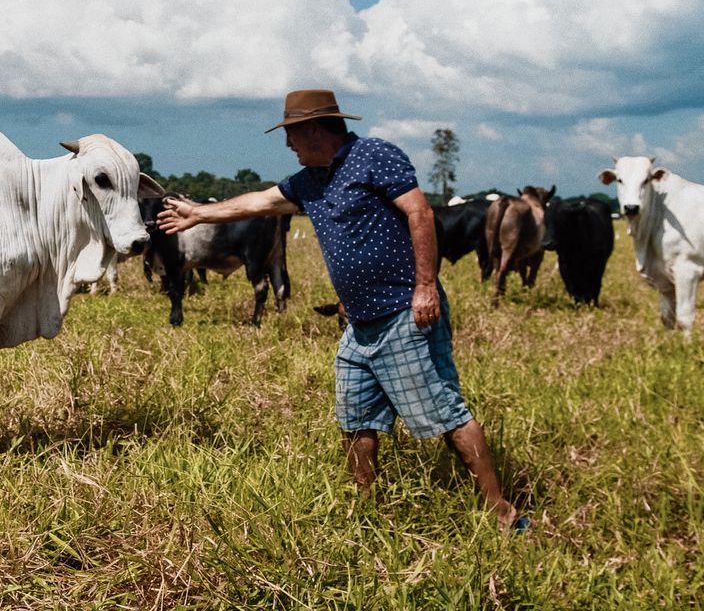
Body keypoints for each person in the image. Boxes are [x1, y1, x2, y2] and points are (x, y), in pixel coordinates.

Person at [156, 89, 524, 532]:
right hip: (358, 324)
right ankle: (367, 511)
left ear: (313, 129)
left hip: (403, 312)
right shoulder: (309, 180)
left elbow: (421, 214)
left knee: (444, 413)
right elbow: (258, 202)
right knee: (356, 417)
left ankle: (502, 512)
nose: (288, 145)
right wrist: (198, 213)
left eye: (291, 134)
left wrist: (425, 286)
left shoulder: (375, 156)